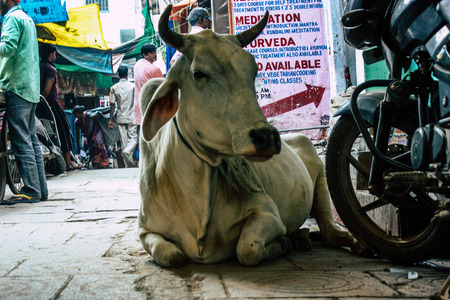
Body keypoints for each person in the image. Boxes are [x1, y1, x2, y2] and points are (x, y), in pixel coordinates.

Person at [0, 0, 48, 204]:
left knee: (22, 141)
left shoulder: (12, 18)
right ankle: (40, 190)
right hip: (29, 87)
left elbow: (7, 48)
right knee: (31, 140)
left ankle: (31, 189)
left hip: (17, 85)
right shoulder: (27, 19)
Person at [39, 43, 79, 171]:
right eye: (55, 54)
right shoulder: (51, 69)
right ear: (51, 54)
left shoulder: (38, 66)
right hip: (52, 105)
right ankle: (68, 162)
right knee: (64, 132)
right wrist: (43, 102)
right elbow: (46, 90)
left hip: (40, 105)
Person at [108, 66, 137, 167]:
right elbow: (137, 102)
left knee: (124, 140)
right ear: (127, 74)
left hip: (120, 117)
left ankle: (127, 164)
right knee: (133, 138)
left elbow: (112, 104)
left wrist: (110, 119)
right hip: (132, 115)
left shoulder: (114, 88)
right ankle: (128, 153)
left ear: (118, 75)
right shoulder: (133, 86)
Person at [133, 43, 164, 128]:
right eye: (152, 53)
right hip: (151, 106)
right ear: (144, 55)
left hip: (139, 105)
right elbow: (164, 87)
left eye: (155, 52)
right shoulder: (154, 69)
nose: (155, 55)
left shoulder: (137, 65)